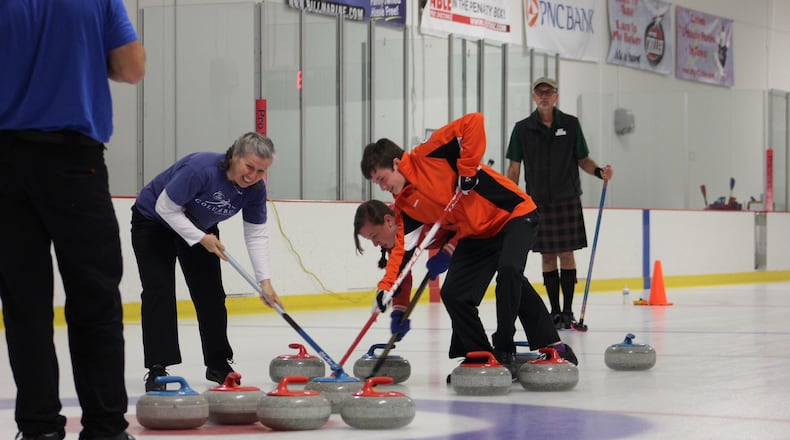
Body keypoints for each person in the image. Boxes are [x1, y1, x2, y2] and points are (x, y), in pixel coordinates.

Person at [0, 1, 145, 439]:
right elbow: (131, 67)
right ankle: (104, 428)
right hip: (73, 161)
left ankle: (40, 427)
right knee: (95, 301)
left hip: (4, 165)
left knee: (24, 307)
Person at [360, 112, 577, 379]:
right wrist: (387, 290)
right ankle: (479, 353)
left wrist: (467, 169)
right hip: (476, 234)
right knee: (454, 293)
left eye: (382, 179)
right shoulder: (405, 206)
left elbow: (474, 121)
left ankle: (506, 347)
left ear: (396, 164)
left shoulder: (428, 153)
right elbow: (401, 253)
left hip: (512, 213)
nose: (382, 188)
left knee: (509, 271)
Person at [131, 132, 282, 392]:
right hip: (154, 221)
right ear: (234, 157)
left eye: (261, 171)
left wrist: (264, 281)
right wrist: (201, 238)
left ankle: (218, 363)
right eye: (249, 167)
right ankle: (157, 367)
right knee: (160, 290)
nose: (253, 176)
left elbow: (256, 233)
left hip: (201, 228)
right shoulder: (201, 169)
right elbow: (165, 208)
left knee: (211, 295)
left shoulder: (255, 190)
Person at [506, 77, 613, 330]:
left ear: (556, 96)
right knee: (547, 256)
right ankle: (553, 312)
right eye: (539, 92)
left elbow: (583, 159)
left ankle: (568, 312)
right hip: (537, 201)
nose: (544, 96)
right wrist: (510, 197)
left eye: (549, 92)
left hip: (567, 197)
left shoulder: (571, 125)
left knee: (566, 254)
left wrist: (599, 172)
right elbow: (513, 168)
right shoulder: (522, 129)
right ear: (534, 97)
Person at [353, 200, 455, 340]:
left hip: (481, 231)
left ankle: (477, 351)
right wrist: (399, 311)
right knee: (453, 296)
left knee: (455, 296)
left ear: (388, 221)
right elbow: (402, 275)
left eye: (374, 236)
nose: (376, 244)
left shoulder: (417, 212)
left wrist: (450, 249)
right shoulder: (393, 239)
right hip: (463, 240)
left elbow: (463, 218)